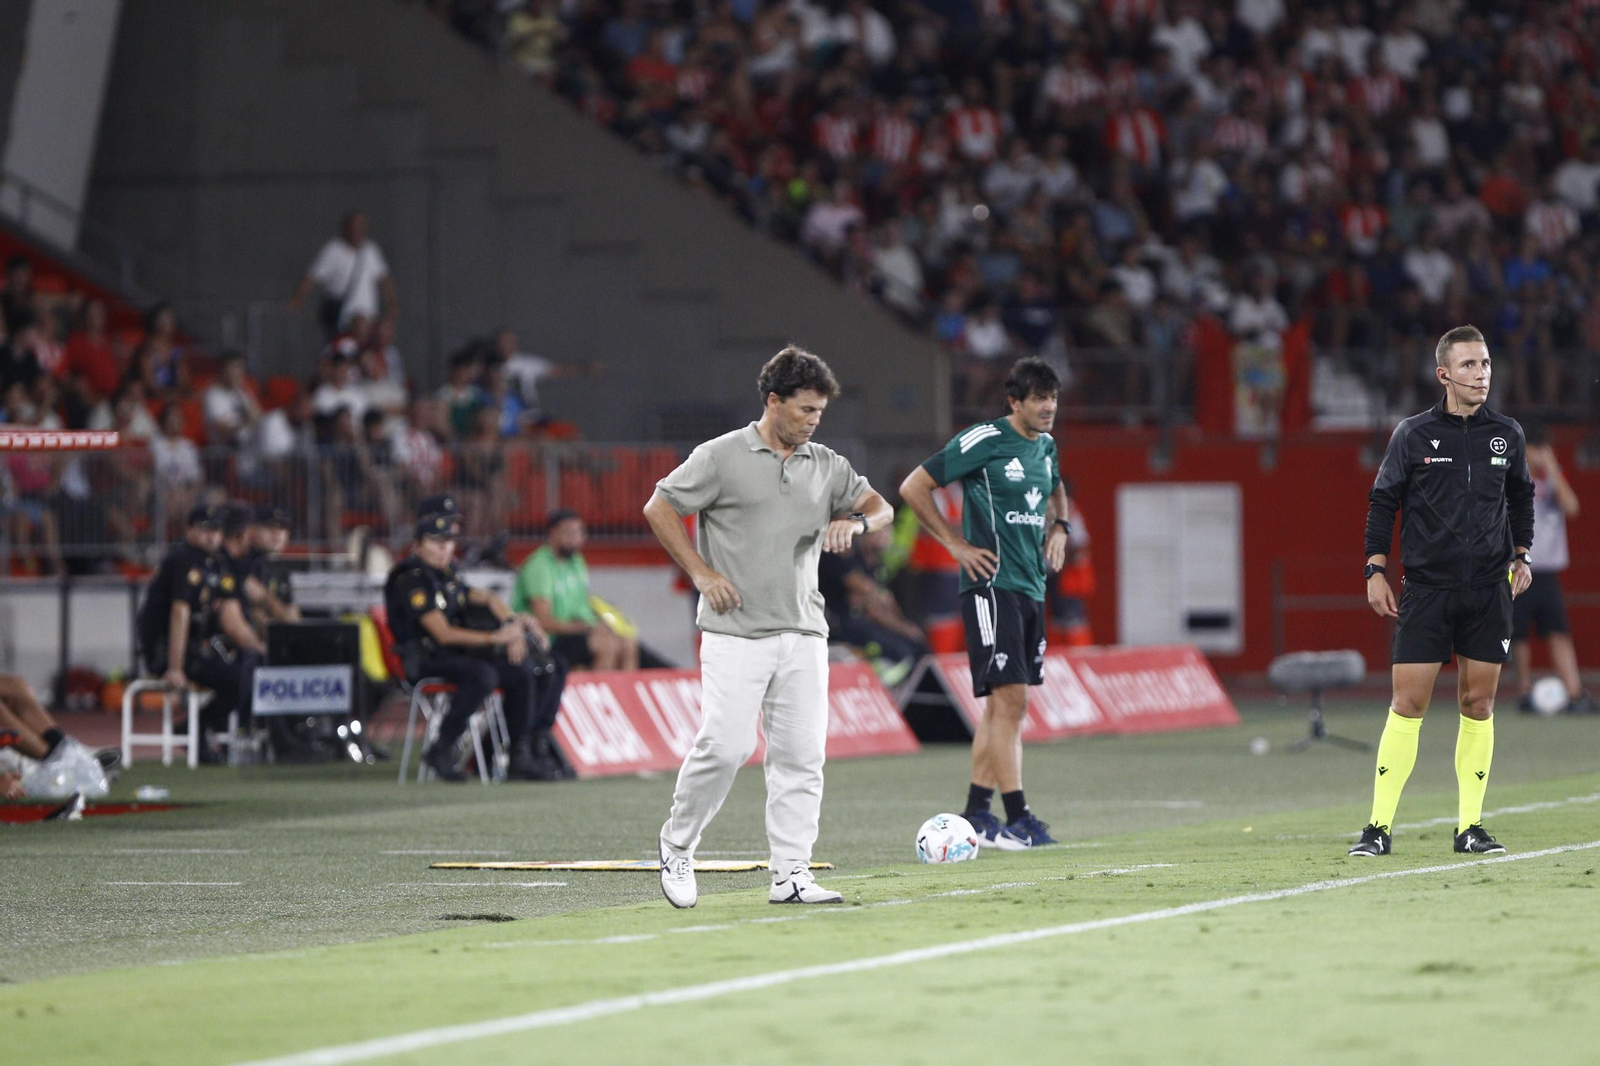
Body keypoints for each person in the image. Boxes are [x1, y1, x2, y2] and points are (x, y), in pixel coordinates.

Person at [644, 346, 891, 908]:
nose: (813, 421)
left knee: (802, 757)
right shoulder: (721, 456)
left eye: (819, 412)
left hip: (804, 630)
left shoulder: (825, 463)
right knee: (727, 746)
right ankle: (678, 844)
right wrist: (702, 573)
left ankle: (791, 874)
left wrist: (854, 520)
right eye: (805, 410)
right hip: (735, 632)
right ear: (773, 401)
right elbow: (660, 506)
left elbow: (883, 508)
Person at [1354, 325, 1535, 859]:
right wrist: (1374, 569)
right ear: (1444, 375)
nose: (1481, 374)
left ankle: (1470, 828)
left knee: (1478, 704)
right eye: (1469, 366)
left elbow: (1522, 498)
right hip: (1427, 591)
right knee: (1407, 704)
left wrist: (1522, 555)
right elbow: (1383, 502)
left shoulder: (1508, 435)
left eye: (1485, 364)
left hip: (1487, 591)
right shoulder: (1411, 434)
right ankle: (1377, 829)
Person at [899, 356, 1070, 850]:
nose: (1048, 407)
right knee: (1011, 700)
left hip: (1031, 586)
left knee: (1004, 706)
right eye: (1038, 398)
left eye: (1053, 398)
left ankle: (978, 813)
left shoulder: (1047, 447)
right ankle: (1018, 817)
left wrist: (1060, 526)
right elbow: (915, 486)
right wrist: (954, 544)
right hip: (991, 587)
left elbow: (1057, 487)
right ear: (1014, 401)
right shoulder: (984, 440)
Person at [383, 505, 567, 782]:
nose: (445, 549)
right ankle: (442, 747)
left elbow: (488, 598)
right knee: (483, 674)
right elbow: (442, 634)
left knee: (521, 670)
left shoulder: (446, 574)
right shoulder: (411, 579)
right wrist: (495, 638)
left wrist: (512, 625)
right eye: (436, 542)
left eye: (448, 542)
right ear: (418, 545)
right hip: (422, 658)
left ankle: (519, 754)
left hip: (453, 654)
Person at [134, 503, 256, 757]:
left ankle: (197, 732)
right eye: (205, 529)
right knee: (237, 680)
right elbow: (179, 613)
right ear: (188, 531)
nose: (212, 536)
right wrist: (175, 667)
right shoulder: (183, 560)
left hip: (194, 648)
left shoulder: (216, 562)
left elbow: (229, 612)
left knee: (244, 672)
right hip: (165, 650)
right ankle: (195, 729)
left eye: (217, 530)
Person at [1511, 422, 1592, 714]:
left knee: (1559, 630)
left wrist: (1554, 469)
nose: (1543, 454)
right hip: (1518, 568)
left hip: (1547, 572)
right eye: (1537, 449)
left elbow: (1572, 507)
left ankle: (1574, 693)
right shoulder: (1514, 479)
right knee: (1518, 634)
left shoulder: (1553, 481)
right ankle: (1523, 691)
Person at [512, 510, 638, 671]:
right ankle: (597, 693)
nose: (576, 539)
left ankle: (621, 695)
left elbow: (582, 606)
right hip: (546, 638)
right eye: (569, 533)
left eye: (580, 532)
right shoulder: (540, 567)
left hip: (570, 632)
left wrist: (599, 623)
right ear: (552, 533)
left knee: (627, 641)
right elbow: (543, 620)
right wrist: (585, 628)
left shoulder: (576, 561)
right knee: (606, 645)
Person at [290, 211, 397, 338]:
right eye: (356, 227)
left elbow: (384, 279)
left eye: (362, 227)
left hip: (368, 319)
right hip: (341, 319)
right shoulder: (333, 250)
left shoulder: (371, 250)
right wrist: (297, 300)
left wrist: (392, 304)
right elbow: (311, 277)